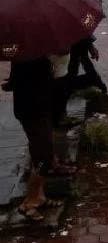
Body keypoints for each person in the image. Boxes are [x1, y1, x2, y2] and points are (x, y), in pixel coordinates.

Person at [10, 57, 69, 222]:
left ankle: (39, 195)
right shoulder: (28, 56)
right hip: (32, 108)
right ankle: (29, 201)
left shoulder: (33, 54)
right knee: (44, 151)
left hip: (38, 107)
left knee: (39, 151)